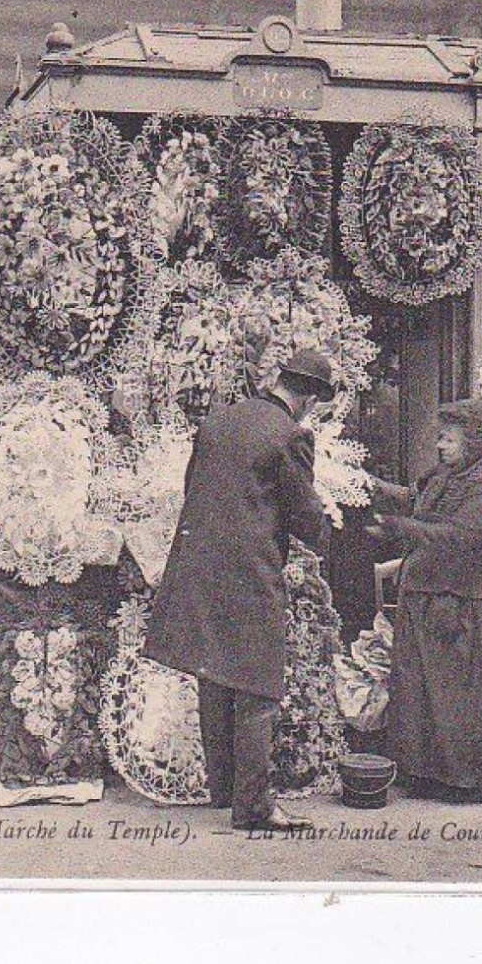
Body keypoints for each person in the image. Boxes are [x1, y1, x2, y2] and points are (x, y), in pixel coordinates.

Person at [144, 349, 333, 832]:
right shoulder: (291, 435)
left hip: (201, 562)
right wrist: (328, 529)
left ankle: (222, 788)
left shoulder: (218, 423)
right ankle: (253, 807)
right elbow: (301, 513)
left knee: (214, 672)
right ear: (309, 398)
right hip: (249, 570)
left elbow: (194, 488)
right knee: (257, 684)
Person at [368, 397, 482, 803]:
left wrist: (401, 529)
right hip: (437, 593)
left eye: (448, 439)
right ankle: (431, 772)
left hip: (476, 605)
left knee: (465, 695)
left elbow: (465, 537)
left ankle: (474, 779)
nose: (440, 446)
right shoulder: (449, 474)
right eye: (440, 439)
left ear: (474, 440)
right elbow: (416, 499)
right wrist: (369, 487)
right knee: (433, 691)